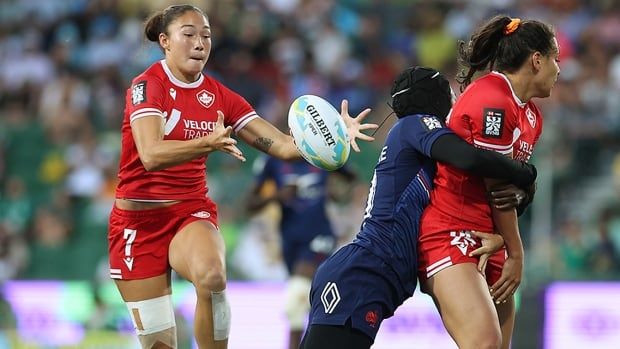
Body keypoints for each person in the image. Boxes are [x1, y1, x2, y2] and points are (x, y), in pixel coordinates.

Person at [107, 4, 376, 349]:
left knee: (212, 276)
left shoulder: (220, 96)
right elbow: (151, 154)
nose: (199, 43)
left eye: (205, 35)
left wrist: (332, 135)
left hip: (188, 212)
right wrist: (205, 142)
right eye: (188, 35)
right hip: (136, 225)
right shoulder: (147, 86)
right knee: (159, 344)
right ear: (165, 41)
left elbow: (281, 145)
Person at [300, 66, 538, 349]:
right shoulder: (415, 123)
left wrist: (516, 207)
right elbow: (470, 159)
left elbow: (482, 192)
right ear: (434, 99)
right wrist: (525, 173)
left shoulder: (425, 154)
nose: (455, 102)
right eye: (450, 94)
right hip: (365, 270)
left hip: (374, 275)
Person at [418, 16, 560, 349]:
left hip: (487, 237)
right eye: (556, 59)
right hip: (450, 232)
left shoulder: (531, 116)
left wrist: (503, 239)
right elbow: (497, 186)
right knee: (484, 342)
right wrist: (517, 253)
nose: (559, 69)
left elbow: (511, 192)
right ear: (536, 60)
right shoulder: (493, 99)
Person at [246, 156, 356, 349]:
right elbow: (250, 204)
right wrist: (276, 196)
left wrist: (336, 192)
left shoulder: (321, 150)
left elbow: (351, 179)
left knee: (296, 297)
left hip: (320, 235)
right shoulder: (273, 160)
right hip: (290, 240)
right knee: (310, 300)